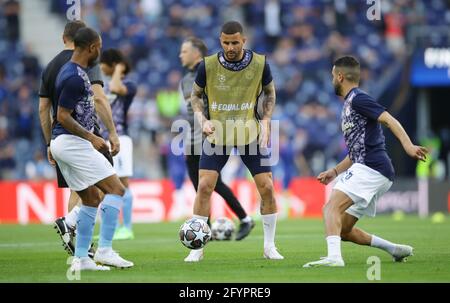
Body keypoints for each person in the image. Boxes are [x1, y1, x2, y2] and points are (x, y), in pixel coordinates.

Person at [303, 56, 428, 268]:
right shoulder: (350, 104)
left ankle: (334, 258)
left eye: (333, 76)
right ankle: (394, 249)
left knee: (330, 209)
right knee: (343, 229)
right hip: (373, 169)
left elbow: (389, 119)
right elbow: (355, 152)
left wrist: (408, 146)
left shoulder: (358, 99)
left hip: (372, 167)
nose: (332, 80)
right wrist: (334, 171)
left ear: (340, 76)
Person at [186, 21, 284, 262]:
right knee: (205, 186)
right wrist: (201, 118)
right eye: (226, 42)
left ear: (244, 41)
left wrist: (267, 119)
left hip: (249, 132)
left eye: (235, 42)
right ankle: (197, 247)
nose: (230, 47)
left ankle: (269, 247)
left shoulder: (260, 64)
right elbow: (195, 95)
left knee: (268, 188)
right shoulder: (207, 66)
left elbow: (270, 92)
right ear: (221, 41)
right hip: (217, 132)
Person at [50, 27, 133, 271]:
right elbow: (62, 116)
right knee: (117, 189)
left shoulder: (74, 72)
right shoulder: (75, 77)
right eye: (100, 46)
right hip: (72, 142)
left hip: (64, 144)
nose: (100, 50)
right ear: (92, 48)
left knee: (91, 198)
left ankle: (82, 258)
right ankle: (105, 250)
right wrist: (93, 138)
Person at [38, 20, 119, 256]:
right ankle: (76, 231)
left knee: (78, 190)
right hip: (85, 136)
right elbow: (100, 98)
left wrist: (48, 144)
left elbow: (44, 108)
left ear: (64, 38)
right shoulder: (85, 62)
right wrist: (112, 132)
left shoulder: (50, 67)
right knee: (107, 186)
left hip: (59, 138)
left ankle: (79, 247)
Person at [178, 37, 255, 248]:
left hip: (211, 137)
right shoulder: (185, 80)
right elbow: (188, 113)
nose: (180, 55)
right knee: (202, 188)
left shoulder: (212, 72)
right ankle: (212, 228)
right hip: (192, 140)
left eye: (184, 51)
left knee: (210, 185)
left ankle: (241, 219)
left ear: (196, 53)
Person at [98, 48, 137, 240]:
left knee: (123, 182)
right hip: (102, 139)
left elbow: (115, 88)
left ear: (112, 65)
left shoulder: (129, 85)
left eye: (102, 62)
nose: (100, 66)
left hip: (121, 138)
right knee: (105, 184)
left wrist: (119, 68)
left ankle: (127, 228)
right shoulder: (101, 85)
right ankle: (111, 228)